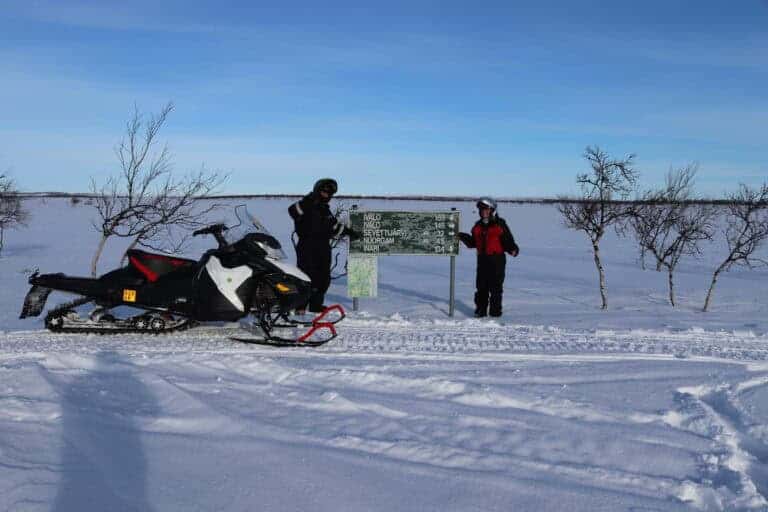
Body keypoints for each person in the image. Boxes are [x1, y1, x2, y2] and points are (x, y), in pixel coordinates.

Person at [288, 178, 359, 313]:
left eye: (329, 193)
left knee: (323, 278)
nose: (326, 195)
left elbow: (334, 227)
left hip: (323, 246)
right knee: (305, 277)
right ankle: (300, 307)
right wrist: (308, 201)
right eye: (323, 191)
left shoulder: (325, 209)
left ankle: (315, 306)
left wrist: (349, 232)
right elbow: (292, 211)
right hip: (307, 246)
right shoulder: (305, 204)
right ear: (317, 190)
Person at [458, 197, 519, 318]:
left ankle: (495, 314)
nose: (483, 212)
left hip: (497, 259)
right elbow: (473, 243)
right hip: (482, 260)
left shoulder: (499, 224)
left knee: (495, 288)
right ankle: (480, 311)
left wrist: (513, 249)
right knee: (481, 287)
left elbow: (507, 240)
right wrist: (461, 236)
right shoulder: (478, 226)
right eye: (481, 210)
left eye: (486, 209)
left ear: (492, 210)